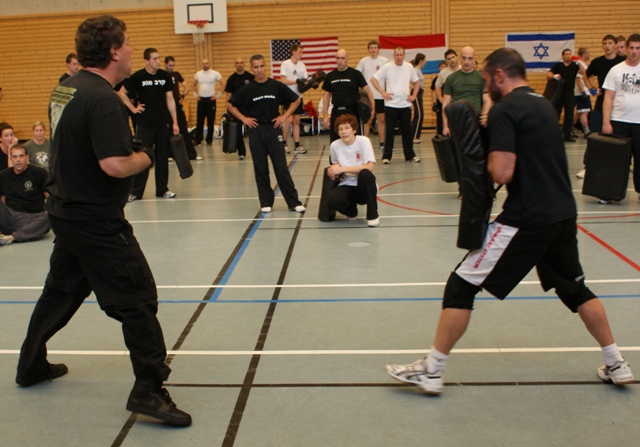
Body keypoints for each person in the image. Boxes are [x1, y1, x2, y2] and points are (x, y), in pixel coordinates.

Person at [385, 47, 634, 395]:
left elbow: (502, 170)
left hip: (526, 218)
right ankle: (617, 363)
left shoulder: (505, 110)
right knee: (574, 288)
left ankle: (432, 369)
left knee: (461, 285)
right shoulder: (542, 105)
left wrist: (474, 160)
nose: (487, 87)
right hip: (562, 213)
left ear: (500, 75)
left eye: (488, 81)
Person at [15, 14, 191, 427]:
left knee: (60, 292)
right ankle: (149, 389)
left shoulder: (65, 90)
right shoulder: (104, 100)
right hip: (95, 220)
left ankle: (30, 364)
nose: (131, 50)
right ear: (114, 51)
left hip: (64, 211)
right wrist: (146, 155)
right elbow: (113, 164)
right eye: (127, 44)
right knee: (138, 299)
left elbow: (77, 143)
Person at [227, 54, 306, 213]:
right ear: (252, 69)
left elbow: (296, 100)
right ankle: (266, 202)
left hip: (273, 129)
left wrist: (284, 116)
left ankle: (293, 202)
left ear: (265, 67)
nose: (259, 70)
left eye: (262, 66)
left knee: (281, 168)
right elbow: (230, 104)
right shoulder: (247, 89)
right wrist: (244, 119)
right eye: (256, 67)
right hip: (256, 131)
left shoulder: (275, 86)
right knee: (260, 168)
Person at [118, 47, 179, 201]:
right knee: (142, 157)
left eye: (159, 58)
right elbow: (121, 92)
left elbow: (170, 100)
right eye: (155, 59)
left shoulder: (165, 76)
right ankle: (136, 192)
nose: (158, 61)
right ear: (146, 61)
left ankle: (162, 189)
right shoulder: (138, 76)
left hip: (162, 123)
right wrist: (133, 108)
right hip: (145, 124)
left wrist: (175, 122)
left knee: (162, 157)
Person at [602, 33, 640, 204]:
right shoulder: (616, 70)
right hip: (619, 121)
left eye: (638, 48)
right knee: (617, 160)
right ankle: (612, 193)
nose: (634, 51)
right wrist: (606, 121)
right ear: (626, 48)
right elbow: (608, 97)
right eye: (631, 47)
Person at [369, 47, 421, 164]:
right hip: (391, 104)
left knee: (407, 132)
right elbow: (373, 79)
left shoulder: (408, 67)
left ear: (404, 55)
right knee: (390, 131)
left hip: (405, 105)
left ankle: (410, 156)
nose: (398, 57)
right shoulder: (387, 67)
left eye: (400, 55)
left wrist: (414, 96)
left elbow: (416, 81)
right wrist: (382, 92)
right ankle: (386, 156)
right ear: (393, 56)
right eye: (396, 55)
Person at [326, 114, 379, 227]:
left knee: (365, 173)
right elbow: (336, 164)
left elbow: (370, 167)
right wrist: (333, 170)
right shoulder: (334, 145)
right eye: (340, 129)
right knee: (332, 200)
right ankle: (351, 212)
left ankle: (373, 216)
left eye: (347, 128)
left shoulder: (364, 141)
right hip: (346, 184)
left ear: (354, 129)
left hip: (364, 186)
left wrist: (342, 169)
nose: (344, 132)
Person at [0, 145, 50, 246]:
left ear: (27, 157)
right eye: (15, 157)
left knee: (49, 217)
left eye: (21, 156)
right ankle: (20, 233)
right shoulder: (4, 175)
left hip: (32, 218)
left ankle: (11, 237)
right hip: (10, 215)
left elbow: (49, 196)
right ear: (10, 159)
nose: (18, 160)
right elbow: (2, 199)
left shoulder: (38, 173)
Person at [322, 49, 374, 143]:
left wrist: (373, 109)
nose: (340, 61)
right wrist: (325, 116)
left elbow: (368, 91)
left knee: (354, 140)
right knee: (335, 141)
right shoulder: (330, 76)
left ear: (347, 59)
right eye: (338, 58)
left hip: (352, 111)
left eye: (342, 58)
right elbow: (326, 96)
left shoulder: (355, 74)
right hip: (336, 111)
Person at [442, 46, 490, 138]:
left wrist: (486, 114)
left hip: (475, 120)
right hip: (457, 120)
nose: (466, 62)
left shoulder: (481, 77)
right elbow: (445, 104)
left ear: (474, 59)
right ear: (459, 58)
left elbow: (487, 100)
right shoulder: (451, 79)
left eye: (470, 58)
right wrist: (445, 125)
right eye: (464, 58)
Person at [164, 56, 201, 161]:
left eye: (173, 65)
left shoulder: (176, 74)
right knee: (168, 130)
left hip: (177, 105)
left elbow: (187, 86)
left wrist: (182, 96)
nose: (171, 67)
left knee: (183, 129)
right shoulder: (162, 75)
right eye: (170, 65)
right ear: (165, 64)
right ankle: (169, 154)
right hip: (166, 106)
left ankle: (191, 154)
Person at [586, 35, 626, 133]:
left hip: (618, 104)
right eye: (605, 43)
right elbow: (585, 76)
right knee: (596, 135)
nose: (607, 46)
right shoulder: (597, 61)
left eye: (610, 43)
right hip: (601, 102)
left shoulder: (622, 61)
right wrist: (592, 88)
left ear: (615, 45)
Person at [356, 40, 389, 150]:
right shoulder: (363, 61)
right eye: (371, 48)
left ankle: (382, 142)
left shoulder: (385, 61)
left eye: (375, 47)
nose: (373, 49)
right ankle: (365, 143)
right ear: (368, 49)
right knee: (366, 119)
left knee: (381, 119)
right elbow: (357, 75)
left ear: (378, 49)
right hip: (367, 96)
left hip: (380, 95)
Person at [279, 44, 308, 154]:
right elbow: (283, 80)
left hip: (298, 96)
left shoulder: (302, 66)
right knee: (289, 120)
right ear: (294, 52)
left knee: (296, 120)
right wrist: (296, 81)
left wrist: (311, 83)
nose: (301, 54)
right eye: (300, 52)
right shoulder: (286, 64)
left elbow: (304, 81)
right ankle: (283, 144)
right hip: (287, 96)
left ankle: (297, 145)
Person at [547, 49, 581, 142]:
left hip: (569, 92)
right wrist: (554, 76)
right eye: (566, 54)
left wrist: (579, 62)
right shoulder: (558, 66)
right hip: (559, 92)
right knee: (556, 113)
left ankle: (567, 135)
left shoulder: (574, 66)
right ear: (562, 56)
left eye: (570, 54)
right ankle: (554, 134)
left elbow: (583, 72)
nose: (568, 56)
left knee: (569, 115)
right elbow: (549, 75)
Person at [224, 57, 255, 160]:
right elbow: (228, 95)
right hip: (236, 109)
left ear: (244, 64)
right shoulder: (231, 79)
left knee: (253, 130)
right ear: (235, 65)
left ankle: (257, 151)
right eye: (237, 63)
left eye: (241, 62)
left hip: (249, 107)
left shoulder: (250, 77)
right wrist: (228, 108)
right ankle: (241, 152)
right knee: (237, 130)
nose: (239, 64)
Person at [192, 58, 225, 146]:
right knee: (200, 121)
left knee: (210, 121)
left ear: (209, 64)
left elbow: (224, 83)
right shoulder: (198, 74)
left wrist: (218, 95)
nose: (205, 65)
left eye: (206, 63)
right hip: (201, 100)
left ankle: (209, 140)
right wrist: (195, 94)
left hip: (211, 100)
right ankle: (198, 140)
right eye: (203, 64)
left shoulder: (215, 73)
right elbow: (193, 84)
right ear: (201, 65)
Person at [411, 53, 426, 143]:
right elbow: (414, 82)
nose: (425, 62)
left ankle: (414, 135)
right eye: (424, 60)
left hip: (419, 92)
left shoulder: (419, 71)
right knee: (420, 114)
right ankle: (414, 136)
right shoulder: (415, 70)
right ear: (421, 61)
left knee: (418, 114)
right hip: (416, 92)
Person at [430, 60, 447, 135]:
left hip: (448, 100)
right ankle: (440, 135)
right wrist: (434, 103)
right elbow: (434, 92)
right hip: (440, 102)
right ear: (439, 68)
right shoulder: (435, 79)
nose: (443, 68)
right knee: (440, 120)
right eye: (441, 67)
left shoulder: (449, 78)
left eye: (444, 66)